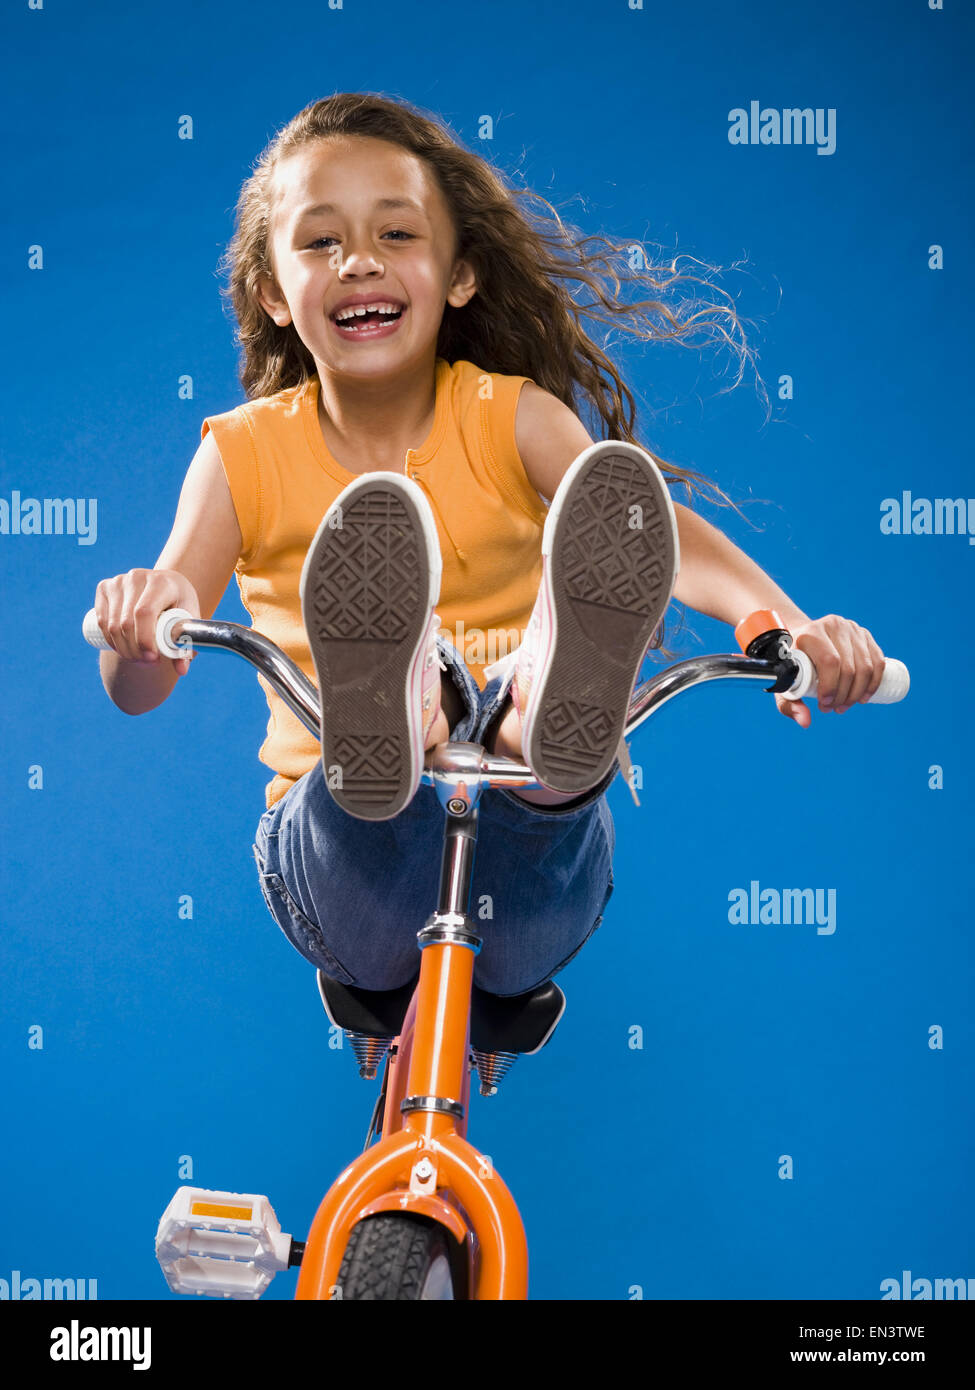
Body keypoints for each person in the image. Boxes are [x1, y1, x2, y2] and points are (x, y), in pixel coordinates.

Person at [91, 93, 888, 998]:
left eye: (397, 234)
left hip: (523, 859)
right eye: (319, 242)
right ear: (271, 291)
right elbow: (139, 690)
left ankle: (540, 704)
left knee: (524, 742)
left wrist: (783, 629)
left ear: (460, 273)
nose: (358, 261)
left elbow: (651, 531)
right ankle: (398, 709)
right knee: (374, 775)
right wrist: (142, 621)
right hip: (346, 873)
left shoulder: (510, 419)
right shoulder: (241, 454)